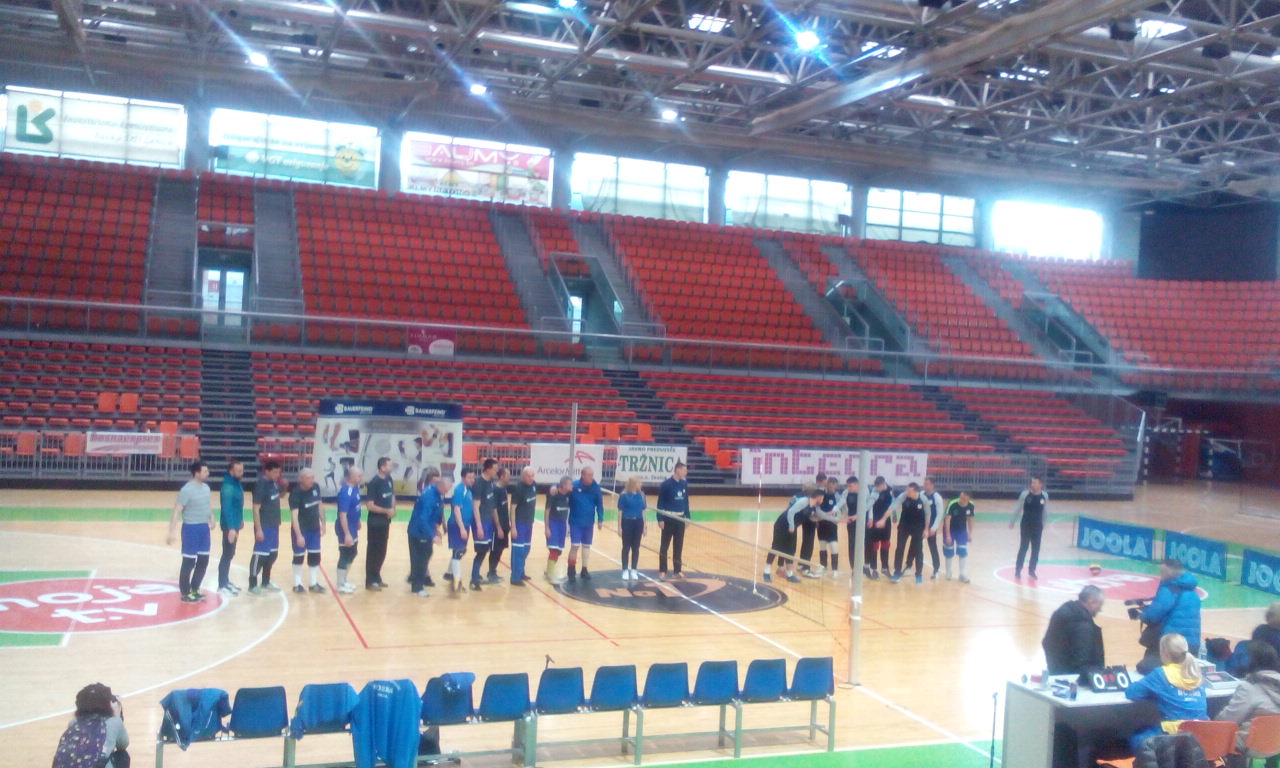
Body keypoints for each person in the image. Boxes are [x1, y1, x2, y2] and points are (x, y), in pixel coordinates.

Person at [1125, 633, 1207, 753]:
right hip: (1200, 737)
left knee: (1136, 738)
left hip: (1172, 737)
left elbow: (1132, 692)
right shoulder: (1196, 674)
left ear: (1165, 653)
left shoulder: (1161, 674)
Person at [1216, 640, 1280, 767]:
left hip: (1250, 746)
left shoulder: (1249, 687)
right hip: (1276, 744)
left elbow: (1226, 720)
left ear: (1252, 662)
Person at [167, 460, 215, 603]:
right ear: (197, 473)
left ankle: (195, 587)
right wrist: (171, 532)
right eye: (205, 471)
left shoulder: (206, 488)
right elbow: (177, 510)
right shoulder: (186, 490)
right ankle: (185, 592)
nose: (208, 473)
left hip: (204, 529)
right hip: (191, 529)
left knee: (203, 560)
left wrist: (212, 518)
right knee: (189, 562)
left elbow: (207, 505)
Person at [1139, 558, 1202, 665]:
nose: (1161, 575)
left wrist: (1142, 615)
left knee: (1148, 667)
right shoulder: (1193, 592)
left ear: (1169, 572)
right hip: (1191, 644)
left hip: (1170, 643)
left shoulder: (1169, 589)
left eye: (1162, 572)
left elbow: (1153, 616)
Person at [52, 683, 129, 768]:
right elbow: (123, 744)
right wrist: (116, 716)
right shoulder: (114, 722)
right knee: (122, 756)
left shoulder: (74, 723)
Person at [764, 487, 826, 584]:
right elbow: (791, 512)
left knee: (790, 551)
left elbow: (822, 515)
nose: (823, 500)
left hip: (792, 528)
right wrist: (792, 526)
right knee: (776, 547)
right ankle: (766, 572)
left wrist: (837, 519)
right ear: (819, 497)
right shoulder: (804, 501)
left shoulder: (813, 507)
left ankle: (790, 574)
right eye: (822, 498)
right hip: (782, 525)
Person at [1042, 585, 1106, 676]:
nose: (1100, 609)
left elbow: (1046, 642)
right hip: (1074, 678)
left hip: (1056, 672)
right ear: (1091, 601)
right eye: (1099, 604)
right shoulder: (1083, 625)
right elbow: (1081, 660)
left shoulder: (1062, 612)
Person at [407, 475, 449, 597]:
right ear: (441, 486)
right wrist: (432, 535)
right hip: (419, 532)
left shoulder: (436, 493)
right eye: (446, 489)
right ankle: (417, 587)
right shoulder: (429, 496)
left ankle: (416, 581)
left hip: (425, 531)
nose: (447, 492)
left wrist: (436, 528)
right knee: (420, 559)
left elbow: (436, 512)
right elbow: (422, 518)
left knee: (426, 555)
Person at [247, 460, 284, 595]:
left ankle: (266, 581)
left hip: (274, 524)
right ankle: (252, 585)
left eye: (278, 472)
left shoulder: (273, 483)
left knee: (272, 554)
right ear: (266, 471)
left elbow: (280, 496)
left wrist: (285, 487)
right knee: (260, 555)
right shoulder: (260, 485)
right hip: (264, 525)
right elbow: (256, 509)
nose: (277, 475)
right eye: (274, 472)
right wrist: (259, 529)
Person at [289, 468, 327, 594]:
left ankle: (313, 583)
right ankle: (297, 584)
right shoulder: (295, 493)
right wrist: (299, 535)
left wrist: (323, 523)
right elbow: (294, 516)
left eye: (312, 477)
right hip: (302, 530)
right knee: (299, 556)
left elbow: (320, 505)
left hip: (314, 529)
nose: (312, 480)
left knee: (315, 556)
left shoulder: (316, 487)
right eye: (308, 478)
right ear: (301, 479)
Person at [363, 457, 396, 591]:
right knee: (373, 552)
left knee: (382, 551)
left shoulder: (389, 479)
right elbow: (369, 505)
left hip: (385, 522)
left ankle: (376, 577)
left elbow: (392, 495)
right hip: (375, 522)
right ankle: (370, 581)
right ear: (382, 467)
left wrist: (393, 509)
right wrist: (386, 510)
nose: (391, 468)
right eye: (389, 465)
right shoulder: (374, 483)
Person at [567, 467, 605, 581]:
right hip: (575, 522)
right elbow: (562, 487)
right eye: (589, 475)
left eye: (592, 475)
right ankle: (571, 569)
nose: (591, 477)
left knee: (587, 546)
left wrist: (600, 519)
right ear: (582, 475)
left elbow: (600, 504)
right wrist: (554, 488)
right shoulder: (574, 486)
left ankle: (584, 569)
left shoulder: (596, 487)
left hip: (589, 522)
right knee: (575, 546)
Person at [216, 459, 245, 597]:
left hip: (234, 524)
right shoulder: (228, 487)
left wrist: (240, 520)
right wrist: (232, 528)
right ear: (231, 471)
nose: (241, 473)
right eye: (239, 470)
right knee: (227, 553)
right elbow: (227, 508)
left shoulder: (236, 483)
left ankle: (226, 581)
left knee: (230, 553)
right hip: (229, 526)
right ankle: (222, 585)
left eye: (242, 470)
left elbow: (237, 505)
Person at [1009, 477, 1048, 580]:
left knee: (1036, 549)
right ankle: (1018, 570)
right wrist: (1012, 521)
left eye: (1035, 483)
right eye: (1032, 482)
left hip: (1037, 526)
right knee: (1023, 547)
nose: (1032, 484)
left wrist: (1044, 524)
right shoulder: (1025, 494)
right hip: (1026, 525)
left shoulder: (1044, 496)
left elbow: (1045, 511)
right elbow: (1018, 508)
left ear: (1040, 484)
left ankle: (1032, 570)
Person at [469, 459, 498, 590]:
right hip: (481, 522)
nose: (496, 471)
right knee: (481, 551)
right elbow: (475, 506)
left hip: (489, 521)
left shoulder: (490, 482)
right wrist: (479, 526)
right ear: (488, 469)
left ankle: (477, 575)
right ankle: (473, 580)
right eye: (495, 469)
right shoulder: (479, 483)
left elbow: (492, 505)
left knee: (485, 549)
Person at [445, 467, 476, 594]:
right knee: (458, 552)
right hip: (457, 525)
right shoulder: (459, 490)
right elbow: (456, 509)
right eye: (469, 477)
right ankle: (457, 582)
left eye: (473, 477)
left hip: (465, 525)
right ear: (463, 478)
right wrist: (462, 528)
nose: (472, 480)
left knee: (459, 551)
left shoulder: (468, 489)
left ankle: (449, 573)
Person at [890, 483, 928, 584]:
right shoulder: (903, 496)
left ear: (916, 491)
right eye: (907, 490)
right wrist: (885, 518)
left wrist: (926, 529)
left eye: (909, 491)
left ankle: (918, 574)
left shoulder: (923, 499)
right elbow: (893, 506)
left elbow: (928, 515)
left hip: (918, 527)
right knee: (900, 549)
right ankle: (897, 573)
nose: (907, 492)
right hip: (904, 526)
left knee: (918, 550)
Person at [657, 462, 690, 579]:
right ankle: (663, 570)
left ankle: (677, 570)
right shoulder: (666, 485)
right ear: (677, 470)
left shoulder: (684, 484)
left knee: (678, 545)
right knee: (664, 546)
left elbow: (686, 501)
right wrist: (660, 518)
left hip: (680, 519)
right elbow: (660, 503)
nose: (686, 472)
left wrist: (687, 516)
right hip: (668, 518)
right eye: (684, 470)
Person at [335, 466, 363, 595]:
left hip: (353, 526)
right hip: (345, 528)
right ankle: (340, 584)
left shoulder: (355, 488)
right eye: (359, 476)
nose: (361, 478)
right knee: (345, 554)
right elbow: (343, 515)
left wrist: (358, 520)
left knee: (353, 552)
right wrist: (346, 534)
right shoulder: (346, 492)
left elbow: (356, 507)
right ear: (351, 477)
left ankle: (344, 580)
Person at [508, 467, 538, 585]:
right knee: (518, 550)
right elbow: (512, 508)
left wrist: (553, 488)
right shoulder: (518, 488)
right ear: (523, 476)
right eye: (528, 476)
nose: (531, 478)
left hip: (529, 523)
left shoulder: (534, 485)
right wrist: (513, 527)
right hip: (519, 523)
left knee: (526, 548)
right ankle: (515, 577)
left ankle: (521, 571)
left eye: (532, 476)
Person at [618, 475, 647, 581]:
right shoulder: (624, 495)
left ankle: (634, 569)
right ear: (634, 484)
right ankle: (625, 570)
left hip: (638, 522)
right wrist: (619, 527)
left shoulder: (642, 495)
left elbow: (643, 511)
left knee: (636, 547)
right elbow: (620, 511)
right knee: (626, 547)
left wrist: (645, 526)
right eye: (639, 482)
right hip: (627, 522)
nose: (641, 484)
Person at [942, 491, 976, 583]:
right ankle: (948, 572)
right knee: (949, 551)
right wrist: (948, 535)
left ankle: (962, 574)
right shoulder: (952, 503)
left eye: (964, 498)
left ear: (968, 499)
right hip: (950, 530)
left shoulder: (971, 505)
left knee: (962, 551)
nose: (961, 499)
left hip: (962, 531)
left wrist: (970, 533)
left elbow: (970, 519)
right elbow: (947, 519)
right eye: (961, 497)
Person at [812, 475, 841, 578]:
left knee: (834, 546)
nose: (831, 488)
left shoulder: (837, 497)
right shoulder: (821, 494)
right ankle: (823, 567)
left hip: (832, 525)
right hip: (821, 525)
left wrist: (837, 518)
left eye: (833, 486)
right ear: (827, 484)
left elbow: (841, 510)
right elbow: (817, 509)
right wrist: (818, 519)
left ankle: (835, 570)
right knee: (822, 546)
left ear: (836, 486)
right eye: (830, 485)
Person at [544, 475, 572, 584]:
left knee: (559, 551)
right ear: (564, 485)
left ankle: (549, 570)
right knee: (554, 550)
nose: (572, 486)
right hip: (553, 523)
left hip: (562, 525)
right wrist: (547, 527)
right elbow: (547, 511)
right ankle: (551, 575)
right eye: (570, 484)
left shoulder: (568, 494)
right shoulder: (553, 494)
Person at [486, 466, 511, 584]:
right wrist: (499, 527)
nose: (510, 477)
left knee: (500, 549)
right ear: (501, 476)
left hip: (505, 525)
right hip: (498, 527)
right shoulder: (495, 490)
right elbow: (493, 509)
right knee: (495, 549)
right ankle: (491, 573)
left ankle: (494, 571)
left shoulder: (504, 489)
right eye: (508, 475)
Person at [865, 476, 893, 579]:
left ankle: (885, 568)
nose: (877, 488)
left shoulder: (890, 491)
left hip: (886, 521)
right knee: (874, 545)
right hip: (875, 521)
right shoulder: (874, 492)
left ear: (884, 484)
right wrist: (871, 519)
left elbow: (892, 505)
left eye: (879, 486)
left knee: (886, 544)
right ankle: (874, 569)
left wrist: (891, 517)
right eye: (876, 487)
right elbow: (870, 507)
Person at [917, 477, 945, 580]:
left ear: (932, 485)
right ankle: (914, 568)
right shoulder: (921, 494)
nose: (925, 485)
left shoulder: (937, 497)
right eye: (924, 483)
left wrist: (934, 528)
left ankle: (936, 569)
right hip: (920, 526)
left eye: (927, 484)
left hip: (931, 527)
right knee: (916, 547)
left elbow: (940, 514)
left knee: (932, 547)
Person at [798, 473, 826, 575]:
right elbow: (814, 509)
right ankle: (805, 566)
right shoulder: (813, 495)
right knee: (809, 542)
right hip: (809, 520)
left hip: (805, 519)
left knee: (806, 541)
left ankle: (802, 563)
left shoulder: (803, 494)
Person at [842, 476, 861, 579]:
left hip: (862, 522)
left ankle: (864, 566)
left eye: (850, 486)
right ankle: (854, 568)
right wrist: (845, 515)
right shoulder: (846, 493)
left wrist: (858, 516)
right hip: (851, 523)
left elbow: (868, 506)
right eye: (848, 486)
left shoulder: (864, 492)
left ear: (857, 485)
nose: (849, 488)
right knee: (852, 545)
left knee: (862, 545)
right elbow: (843, 505)